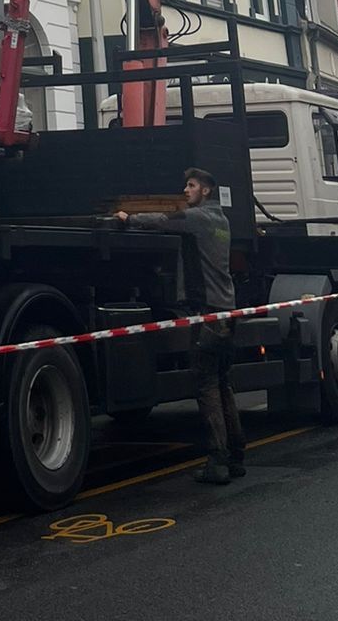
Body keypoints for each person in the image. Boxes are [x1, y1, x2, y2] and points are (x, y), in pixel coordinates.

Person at [116, 167, 245, 484]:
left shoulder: (198, 219)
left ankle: (217, 462)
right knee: (223, 384)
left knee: (206, 387)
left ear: (206, 191)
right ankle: (236, 456)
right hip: (227, 312)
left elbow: (163, 220)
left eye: (191, 186)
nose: (185, 191)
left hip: (206, 314)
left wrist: (127, 218)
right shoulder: (222, 222)